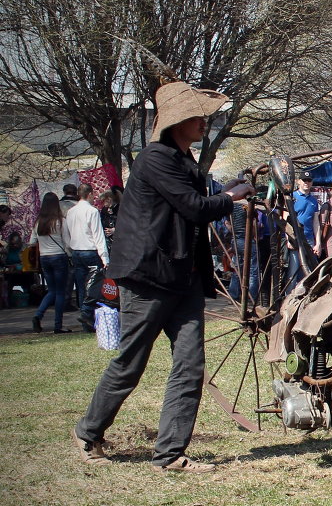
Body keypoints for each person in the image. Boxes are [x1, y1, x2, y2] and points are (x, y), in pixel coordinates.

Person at [73, 80, 254, 472]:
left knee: (189, 364)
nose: (204, 121)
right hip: (148, 276)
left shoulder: (185, 161)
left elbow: (193, 203)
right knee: (131, 363)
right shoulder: (155, 158)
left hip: (184, 278)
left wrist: (229, 191)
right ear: (175, 122)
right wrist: (232, 197)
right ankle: (89, 431)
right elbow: (193, 207)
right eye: (196, 116)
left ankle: (169, 453)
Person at [65, 183, 109, 332]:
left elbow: (67, 233)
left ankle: (86, 321)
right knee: (95, 285)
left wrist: (69, 249)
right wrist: (105, 257)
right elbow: (98, 235)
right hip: (90, 251)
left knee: (82, 286)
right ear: (89, 194)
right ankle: (87, 313)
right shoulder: (92, 211)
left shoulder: (71, 212)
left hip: (76, 251)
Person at [32, 193, 72, 333]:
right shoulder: (60, 221)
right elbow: (67, 242)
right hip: (59, 257)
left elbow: (31, 241)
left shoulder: (38, 222)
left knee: (52, 290)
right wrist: (71, 254)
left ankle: (38, 315)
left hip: (44, 258)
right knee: (60, 292)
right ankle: (58, 325)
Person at [292, 172, 319, 246]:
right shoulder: (291, 197)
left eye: (309, 180)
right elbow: (285, 219)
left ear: (312, 182)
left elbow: (316, 222)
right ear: (299, 181)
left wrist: (318, 243)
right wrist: (289, 239)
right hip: (294, 238)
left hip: (309, 239)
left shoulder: (314, 200)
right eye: (304, 180)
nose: (307, 183)